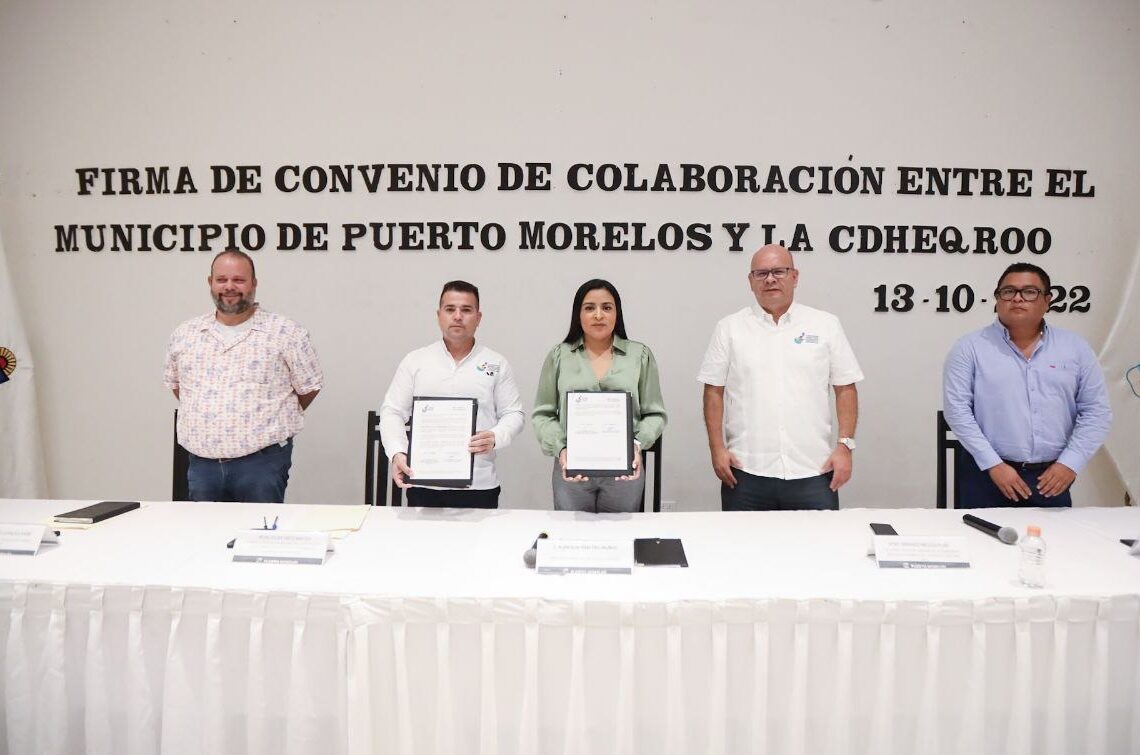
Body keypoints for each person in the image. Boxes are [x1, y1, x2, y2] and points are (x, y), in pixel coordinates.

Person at [698, 244, 863, 511]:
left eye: (779, 271)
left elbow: (845, 388)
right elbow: (713, 391)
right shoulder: (729, 328)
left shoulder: (825, 324)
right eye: (761, 273)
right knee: (741, 540)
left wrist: (845, 446)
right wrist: (717, 449)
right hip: (746, 472)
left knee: (820, 539)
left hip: (814, 470)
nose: (770, 279)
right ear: (750, 281)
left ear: (794, 277)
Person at [942, 262, 1111, 507]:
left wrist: (1069, 463)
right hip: (987, 474)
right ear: (997, 299)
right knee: (979, 533)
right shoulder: (969, 348)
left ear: (1047, 300)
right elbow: (957, 411)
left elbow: (1096, 411)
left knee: (1054, 534)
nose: (1017, 298)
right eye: (1008, 291)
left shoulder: (1075, 348)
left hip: (1051, 478)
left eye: (1029, 292)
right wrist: (994, 464)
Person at [164, 250, 323, 503]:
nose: (229, 287)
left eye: (238, 280)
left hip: (262, 464)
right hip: (202, 466)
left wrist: (264, 419)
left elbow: (309, 387)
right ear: (210, 282)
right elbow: (178, 386)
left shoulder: (286, 332)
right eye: (221, 279)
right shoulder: (186, 334)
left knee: (260, 529)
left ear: (254, 283)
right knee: (202, 529)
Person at [380, 280, 524, 508]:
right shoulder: (416, 361)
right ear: (439, 315)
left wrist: (496, 436)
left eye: (466, 310)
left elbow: (514, 414)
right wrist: (398, 452)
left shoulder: (496, 363)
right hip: (423, 482)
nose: (458, 316)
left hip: (479, 485)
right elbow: (392, 412)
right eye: (450, 309)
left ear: (478, 317)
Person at [532, 279, 667, 513]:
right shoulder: (559, 356)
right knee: (571, 534)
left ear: (617, 313)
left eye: (606, 307)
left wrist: (636, 445)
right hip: (572, 470)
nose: (598, 315)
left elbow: (655, 414)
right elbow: (543, 414)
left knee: (620, 533)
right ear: (578, 314)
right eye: (589, 308)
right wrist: (562, 449)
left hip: (624, 471)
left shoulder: (640, 355)